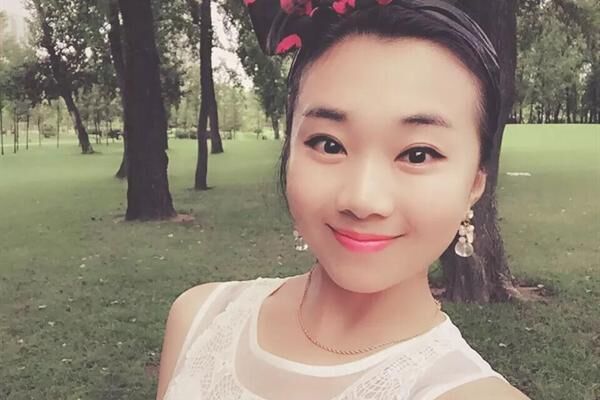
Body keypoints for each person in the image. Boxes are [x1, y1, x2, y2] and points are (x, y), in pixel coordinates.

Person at [156, 0, 531, 398]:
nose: (362, 199)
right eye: (329, 144)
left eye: (418, 154)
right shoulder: (200, 318)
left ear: (475, 183)